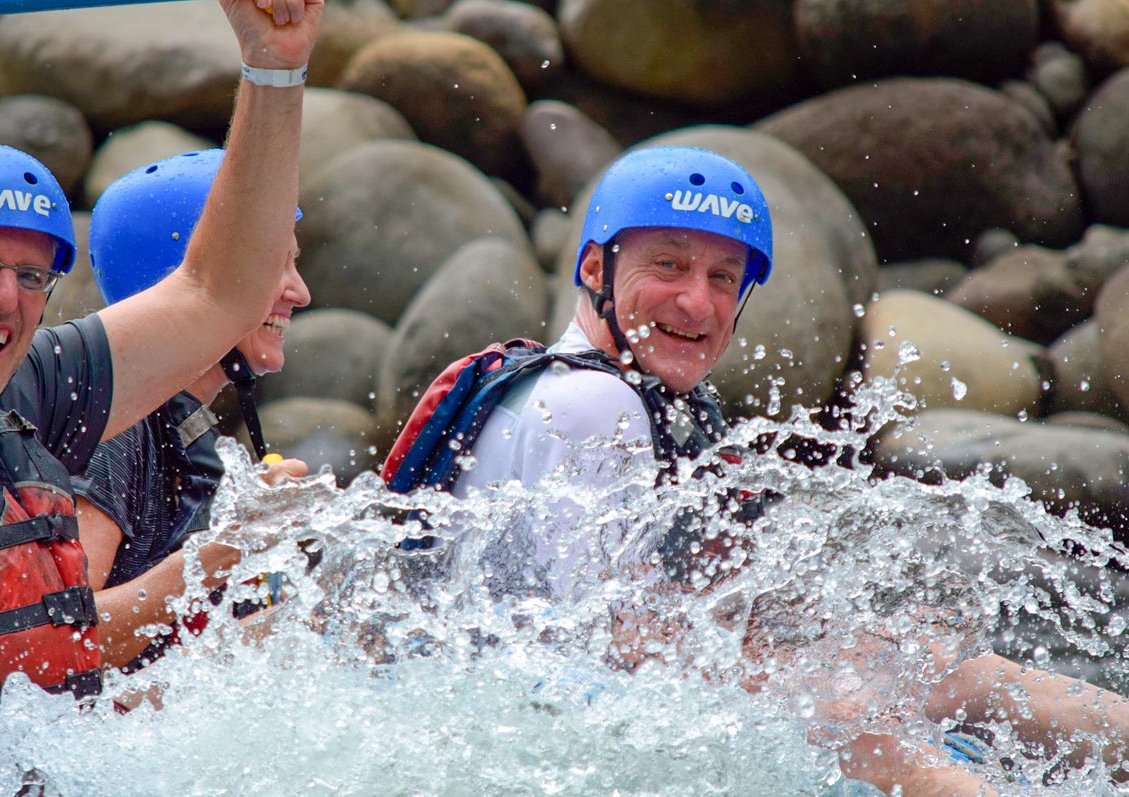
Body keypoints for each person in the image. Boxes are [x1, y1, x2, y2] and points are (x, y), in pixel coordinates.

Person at [386, 146, 1129, 794]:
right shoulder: (591, 403)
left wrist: (838, 639)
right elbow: (588, 652)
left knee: (941, 665)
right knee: (857, 711)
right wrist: (810, 681)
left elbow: (669, 604)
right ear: (593, 267)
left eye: (722, 276)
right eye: (669, 264)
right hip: (530, 735)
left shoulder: (617, 392)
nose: (696, 300)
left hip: (512, 707)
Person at [0, 0, 322, 792]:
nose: (5, 297)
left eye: (32, 277)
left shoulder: (26, 400)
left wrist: (274, 71)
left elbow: (218, 292)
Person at [75, 148, 310, 669]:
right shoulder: (114, 427)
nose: (301, 292)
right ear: (192, 278)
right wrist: (230, 546)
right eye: (275, 264)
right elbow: (64, 643)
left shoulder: (182, 425)